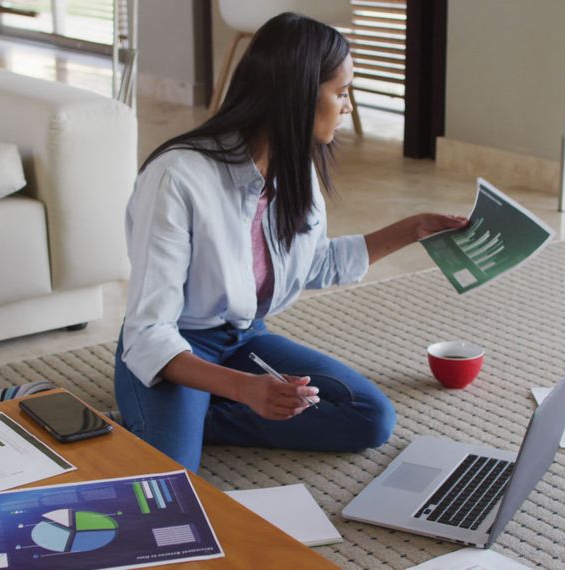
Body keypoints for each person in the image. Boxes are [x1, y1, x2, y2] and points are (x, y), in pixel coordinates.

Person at [114, 12, 467, 472]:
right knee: (174, 482)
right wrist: (244, 389)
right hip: (175, 347)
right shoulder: (177, 178)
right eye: (340, 93)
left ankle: (198, 415)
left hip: (244, 338)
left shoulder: (293, 165)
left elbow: (312, 264)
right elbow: (147, 334)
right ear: (298, 92)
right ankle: (163, 416)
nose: (348, 107)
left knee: (369, 418)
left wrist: (412, 229)